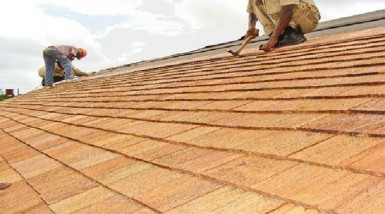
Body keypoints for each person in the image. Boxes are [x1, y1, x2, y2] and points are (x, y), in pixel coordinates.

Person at [246, 0, 321, 52]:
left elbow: (288, 9)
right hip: (285, 22)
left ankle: (292, 32)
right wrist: (251, 26)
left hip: (307, 18)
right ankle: (281, 35)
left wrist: (274, 37)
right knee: (255, 1)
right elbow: (252, 10)